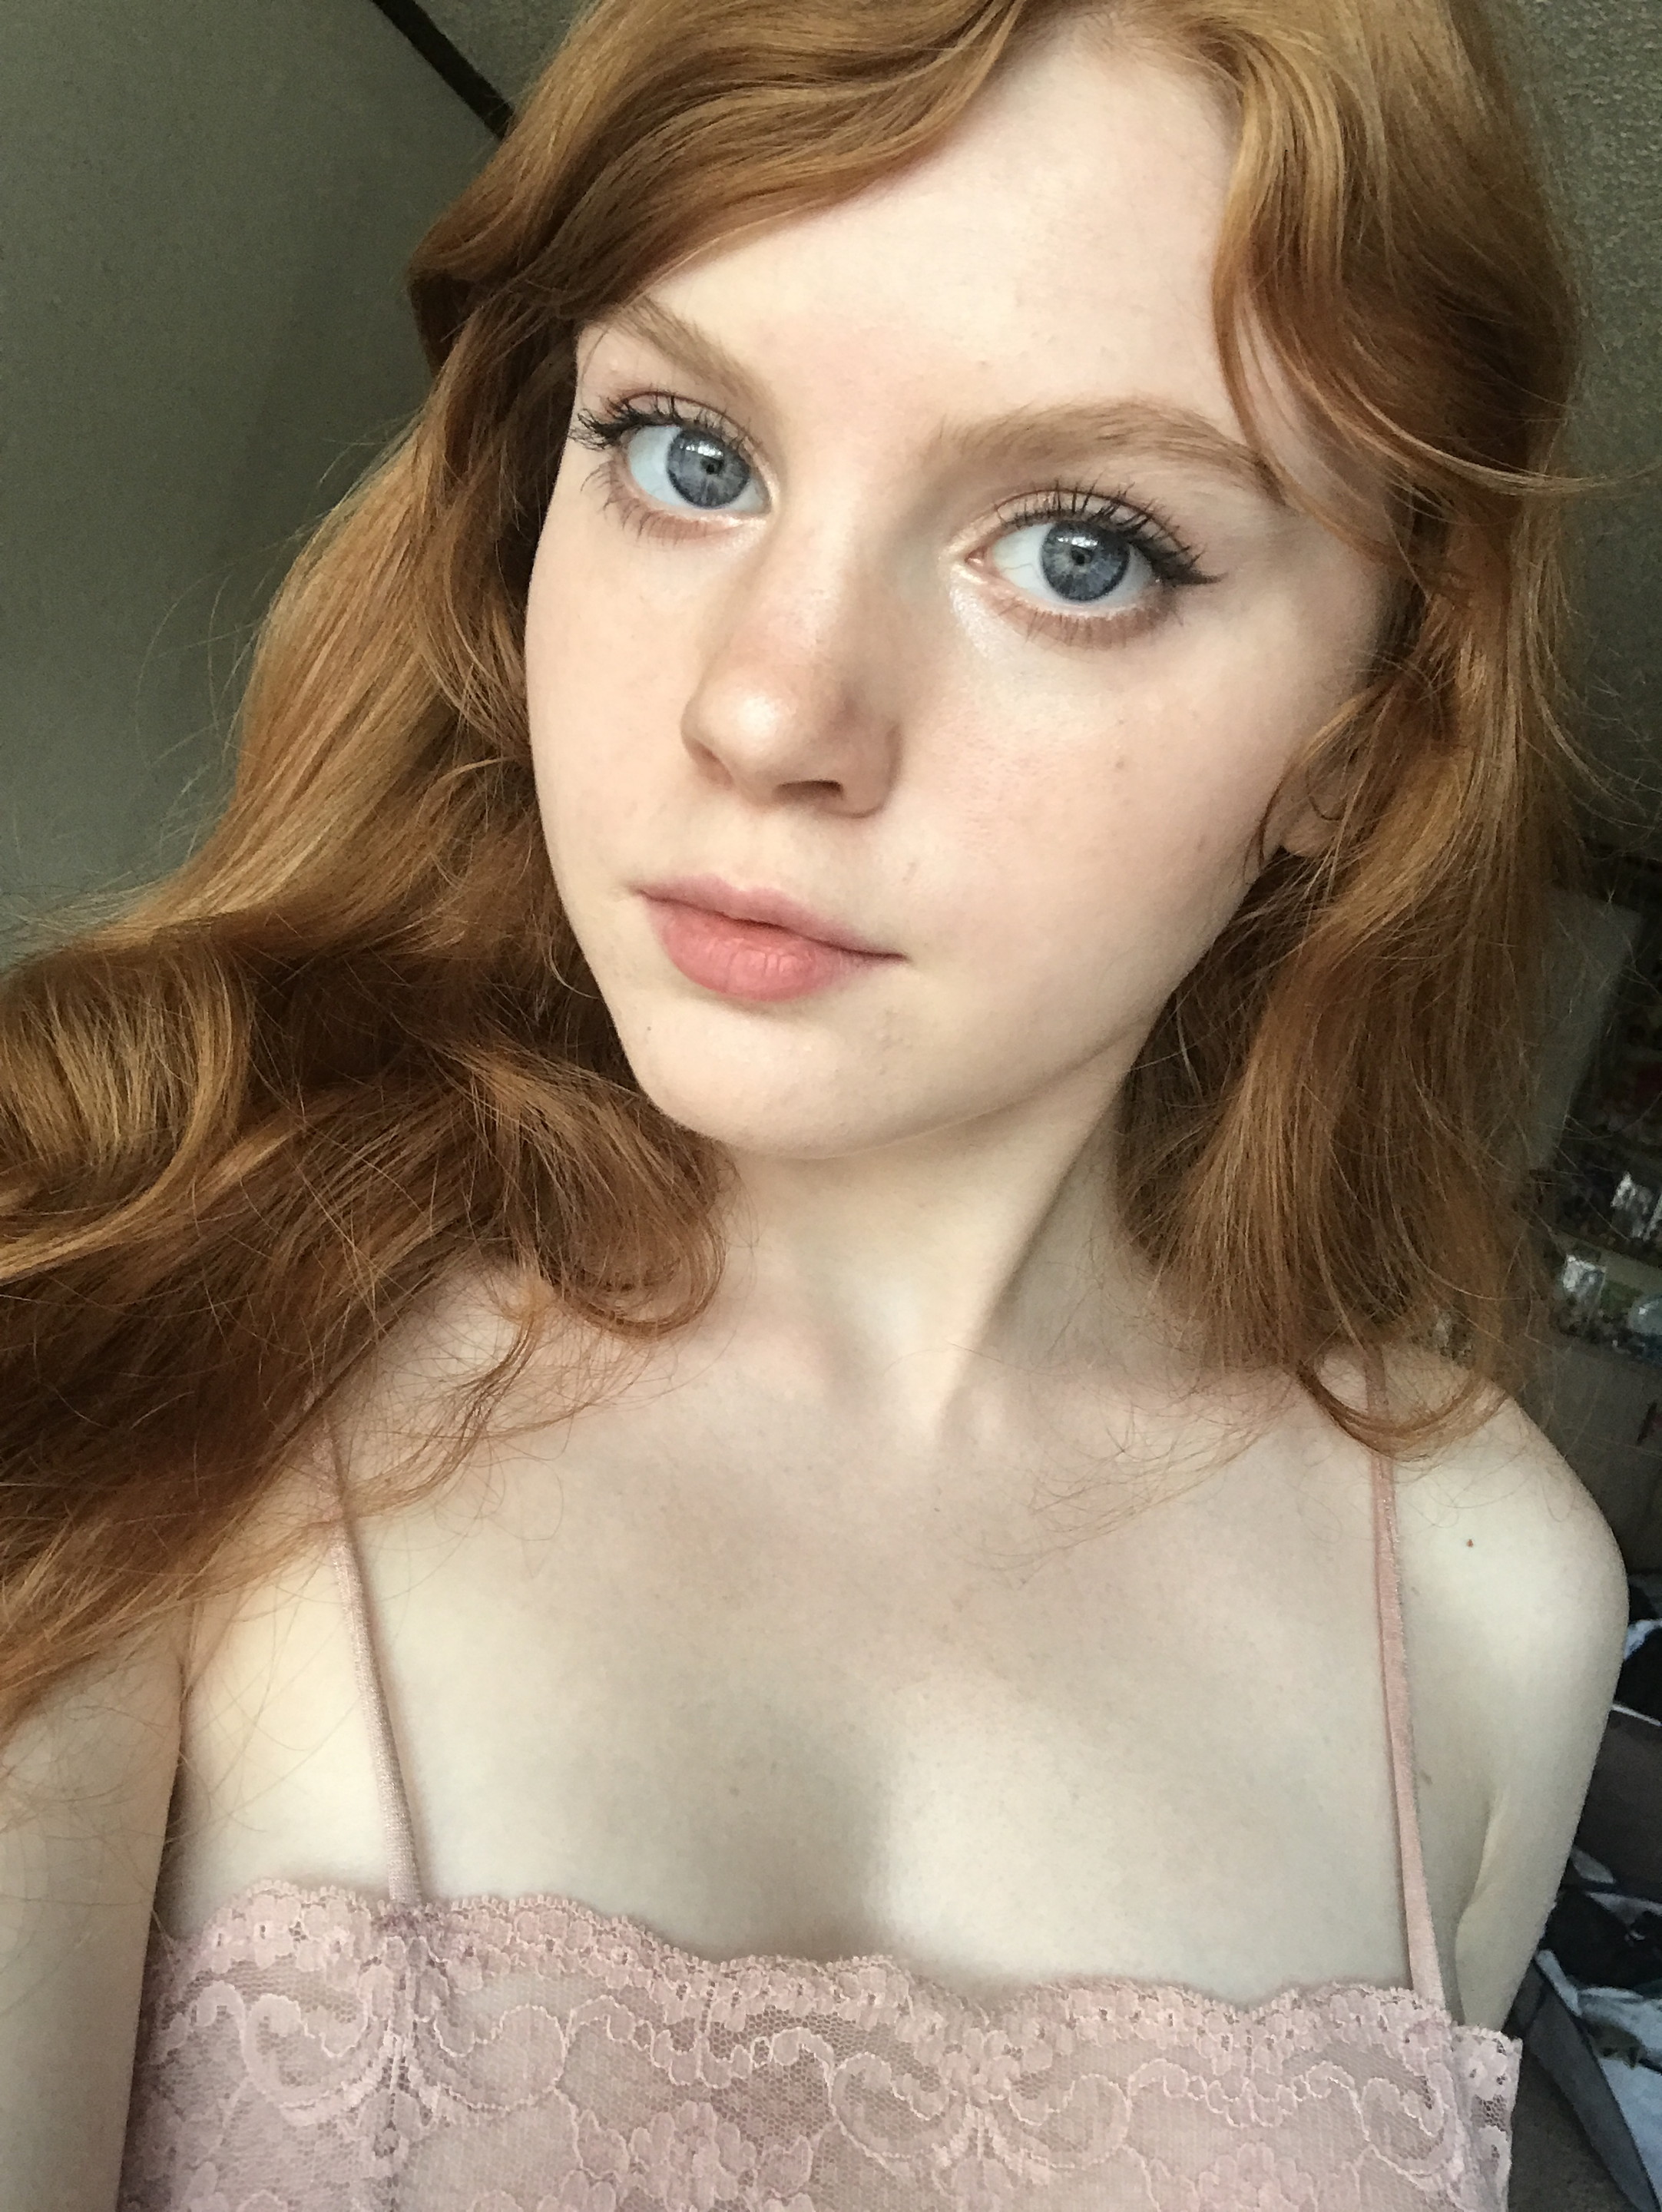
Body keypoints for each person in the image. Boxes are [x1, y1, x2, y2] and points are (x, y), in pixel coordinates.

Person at [0, 0, 1633, 2204]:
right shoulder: (129, 1303)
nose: (767, 712)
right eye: (688, 451)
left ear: (1364, 738)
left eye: (1081, 549)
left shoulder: (1486, 1597)